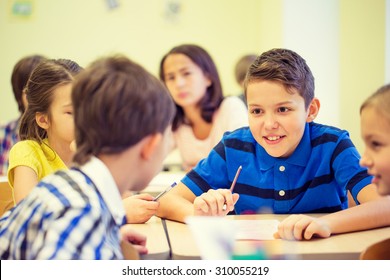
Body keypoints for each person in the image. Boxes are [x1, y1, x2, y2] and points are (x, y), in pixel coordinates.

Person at [157, 48, 390, 240]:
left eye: (283, 109)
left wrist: (326, 223)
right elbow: (168, 200)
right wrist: (199, 214)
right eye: (257, 111)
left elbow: (385, 206)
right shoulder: (233, 147)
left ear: (311, 110)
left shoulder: (333, 144)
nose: (269, 124)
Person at [0, 55, 176, 259]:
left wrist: (106, 239)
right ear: (150, 145)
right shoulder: (79, 213)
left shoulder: (68, 186)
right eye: (170, 134)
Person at [159, 44, 248, 171]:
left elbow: (243, 161)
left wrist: (199, 173)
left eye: (186, 73)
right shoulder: (174, 120)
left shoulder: (230, 107)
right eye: (171, 77)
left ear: (208, 78)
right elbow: (150, 156)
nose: (179, 84)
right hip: (195, 191)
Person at [7, 58, 82, 204]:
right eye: (72, 112)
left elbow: (125, 199)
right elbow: (29, 212)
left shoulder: (95, 153)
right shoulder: (27, 152)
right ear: (43, 120)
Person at [0, 55, 47, 176]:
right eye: (30, 91)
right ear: (19, 95)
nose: (38, 97)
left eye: (43, 90)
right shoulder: (3, 133)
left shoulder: (60, 132)